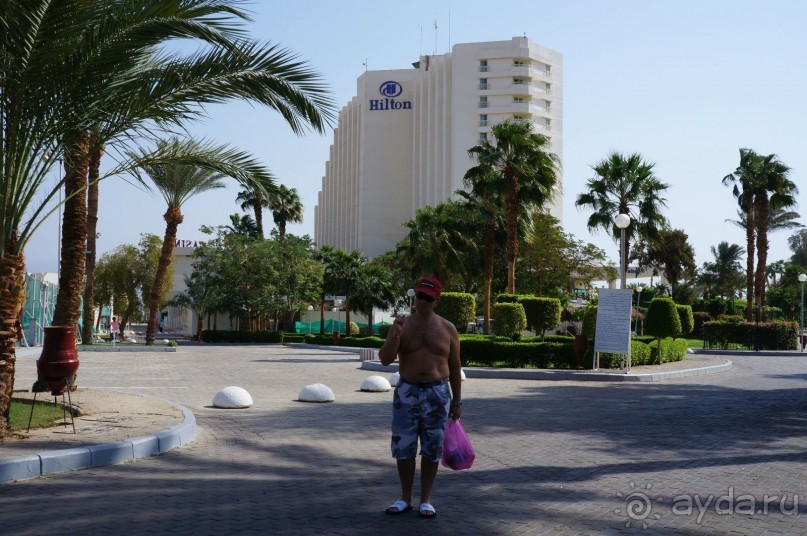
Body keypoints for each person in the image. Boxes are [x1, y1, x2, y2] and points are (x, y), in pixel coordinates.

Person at [378, 277, 462, 519]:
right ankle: (405, 497)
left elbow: (455, 367)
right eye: (419, 296)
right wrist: (394, 334)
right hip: (407, 390)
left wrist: (457, 401)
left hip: (437, 391)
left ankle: (426, 499)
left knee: (432, 447)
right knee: (403, 446)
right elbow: (384, 359)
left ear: (437, 300)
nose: (422, 302)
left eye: (428, 298)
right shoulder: (403, 325)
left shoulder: (448, 329)